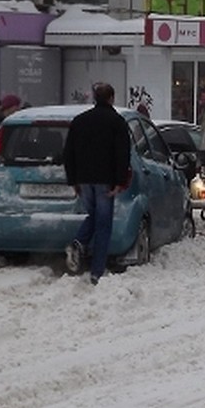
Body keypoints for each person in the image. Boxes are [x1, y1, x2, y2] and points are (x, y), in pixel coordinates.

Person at [62, 83, 132, 285]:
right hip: (105, 180)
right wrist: (120, 181)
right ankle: (96, 272)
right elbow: (122, 153)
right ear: (112, 98)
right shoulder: (117, 122)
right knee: (103, 224)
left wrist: (73, 179)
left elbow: (69, 153)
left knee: (94, 216)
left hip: (84, 179)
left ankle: (78, 243)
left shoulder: (80, 121)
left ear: (94, 98)